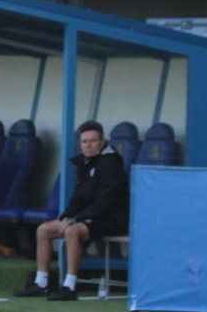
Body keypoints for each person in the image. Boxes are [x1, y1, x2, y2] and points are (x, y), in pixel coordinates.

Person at [16, 121, 128, 301]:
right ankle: (41, 283)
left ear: (102, 142)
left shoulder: (111, 165)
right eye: (84, 142)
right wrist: (67, 215)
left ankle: (69, 285)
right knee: (44, 229)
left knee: (72, 231)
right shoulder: (86, 163)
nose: (88, 145)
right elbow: (79, 197)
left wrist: (75, 220)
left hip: (111, 219)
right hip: (90, 217)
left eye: (92, 141)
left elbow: (104, 204)